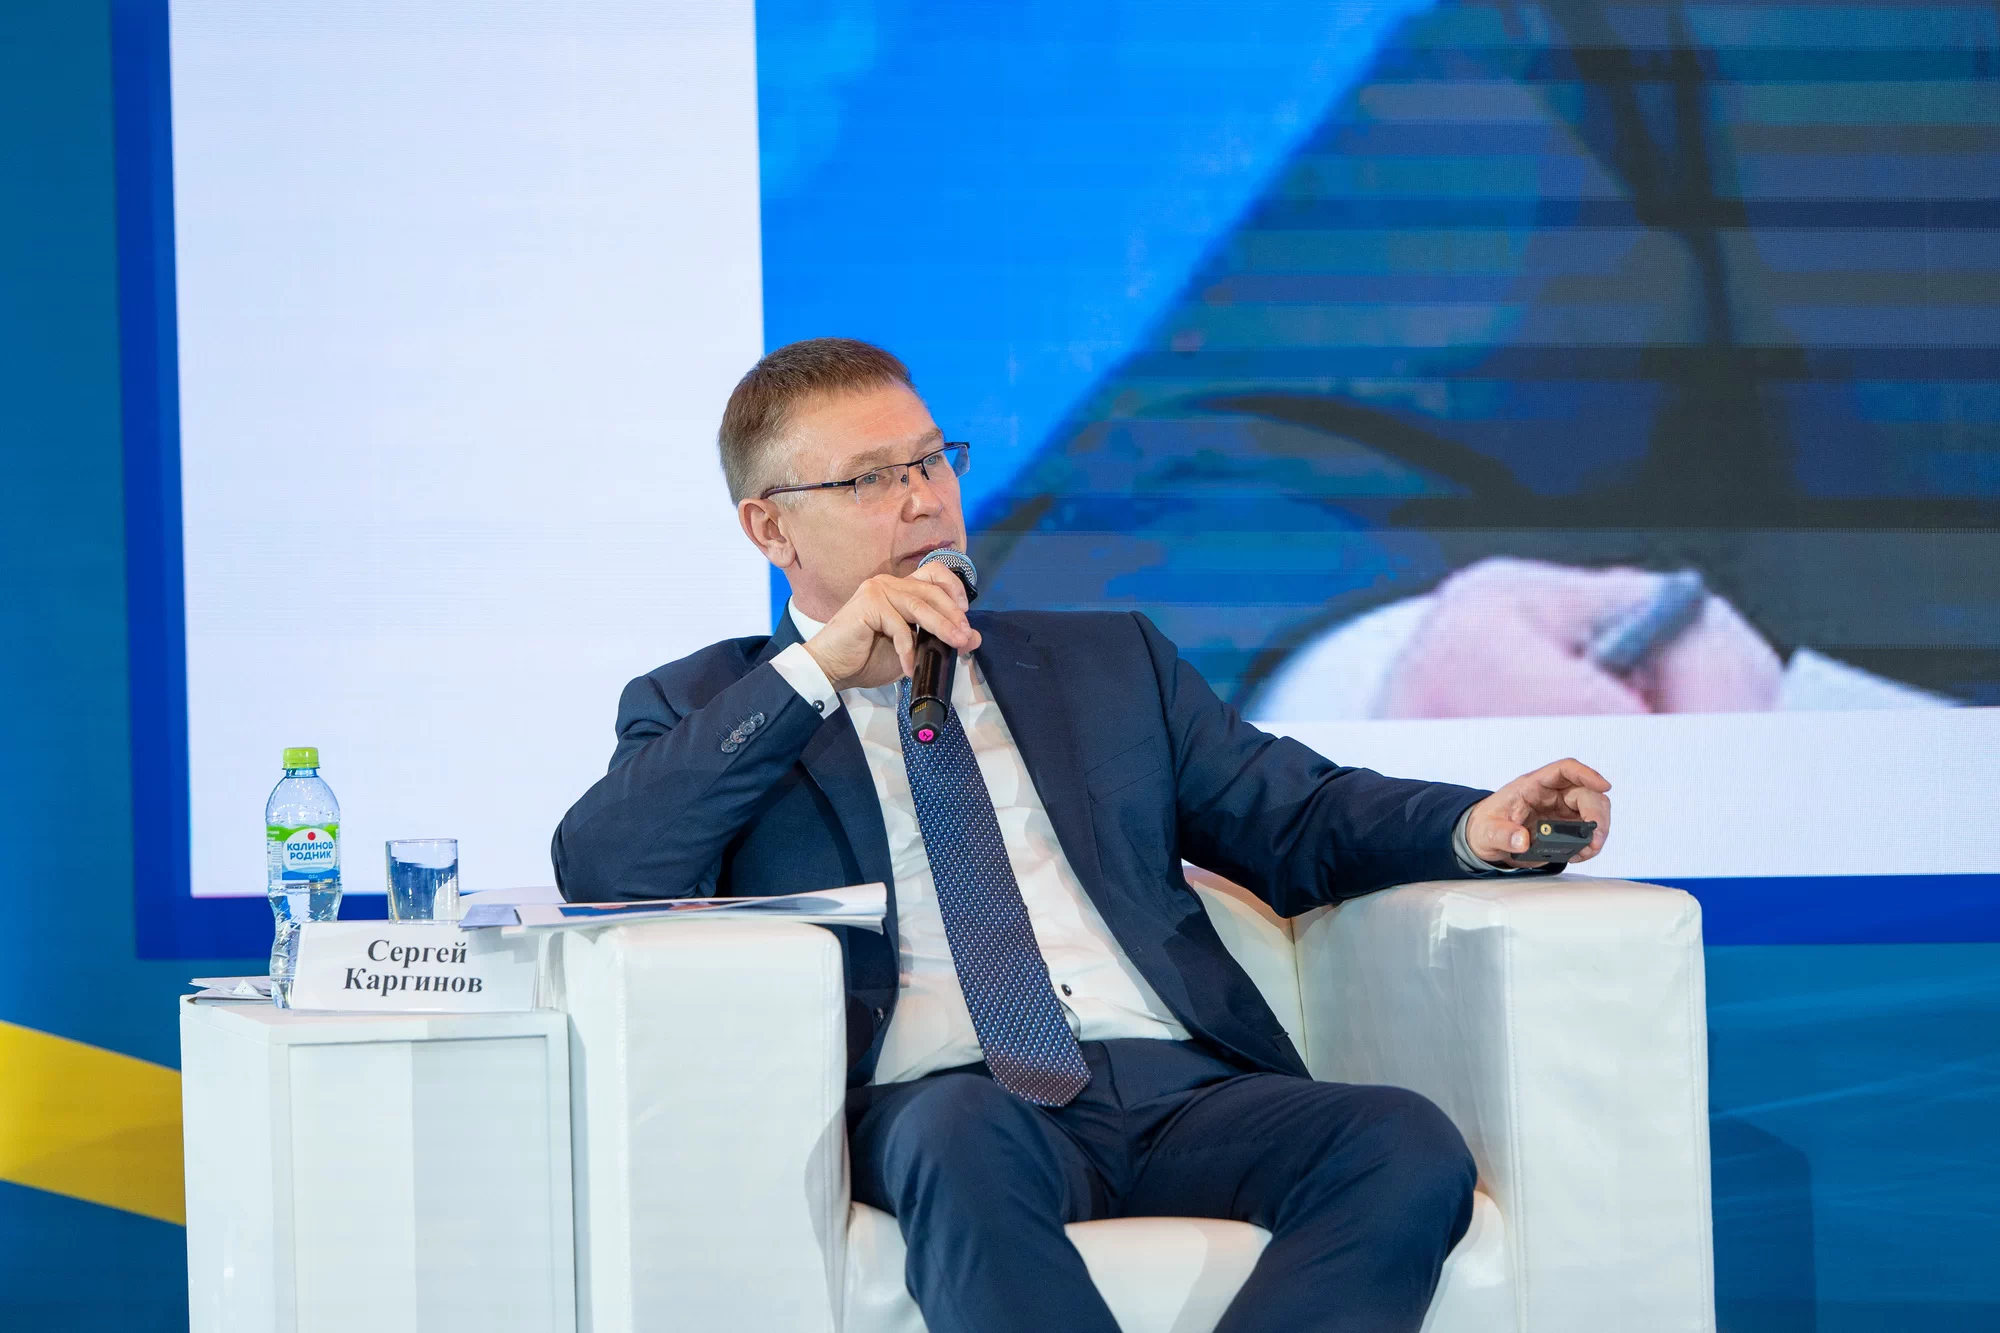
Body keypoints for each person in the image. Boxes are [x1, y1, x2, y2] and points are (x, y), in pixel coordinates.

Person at [552, 338, 1616, 1333]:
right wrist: (817, 675)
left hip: (1175, 1083)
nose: (922, 498)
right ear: (770, 529)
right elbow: (606, 865)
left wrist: (1473, 825)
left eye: (931, 460)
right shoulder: (711, 703)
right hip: (944, 1099)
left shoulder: (1106, 662)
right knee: (959, 1135)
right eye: (869, 478)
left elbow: (1294, 813)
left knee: (1401, 1141)